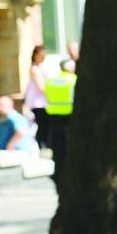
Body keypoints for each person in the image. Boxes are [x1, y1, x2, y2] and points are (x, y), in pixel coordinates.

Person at [44, 58, 77, 188]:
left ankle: (58, 171)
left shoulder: (51, 81)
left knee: (57, 146)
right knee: (69, 145)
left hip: (53, 115)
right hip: (69, 115)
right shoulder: (73, 80)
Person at [24, 45, 50, 151]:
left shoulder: (40, 67)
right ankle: (41, 146)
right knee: (42, 125)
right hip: (38, 102)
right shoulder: (34, 69)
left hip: (42, 102)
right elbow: (41, 86)